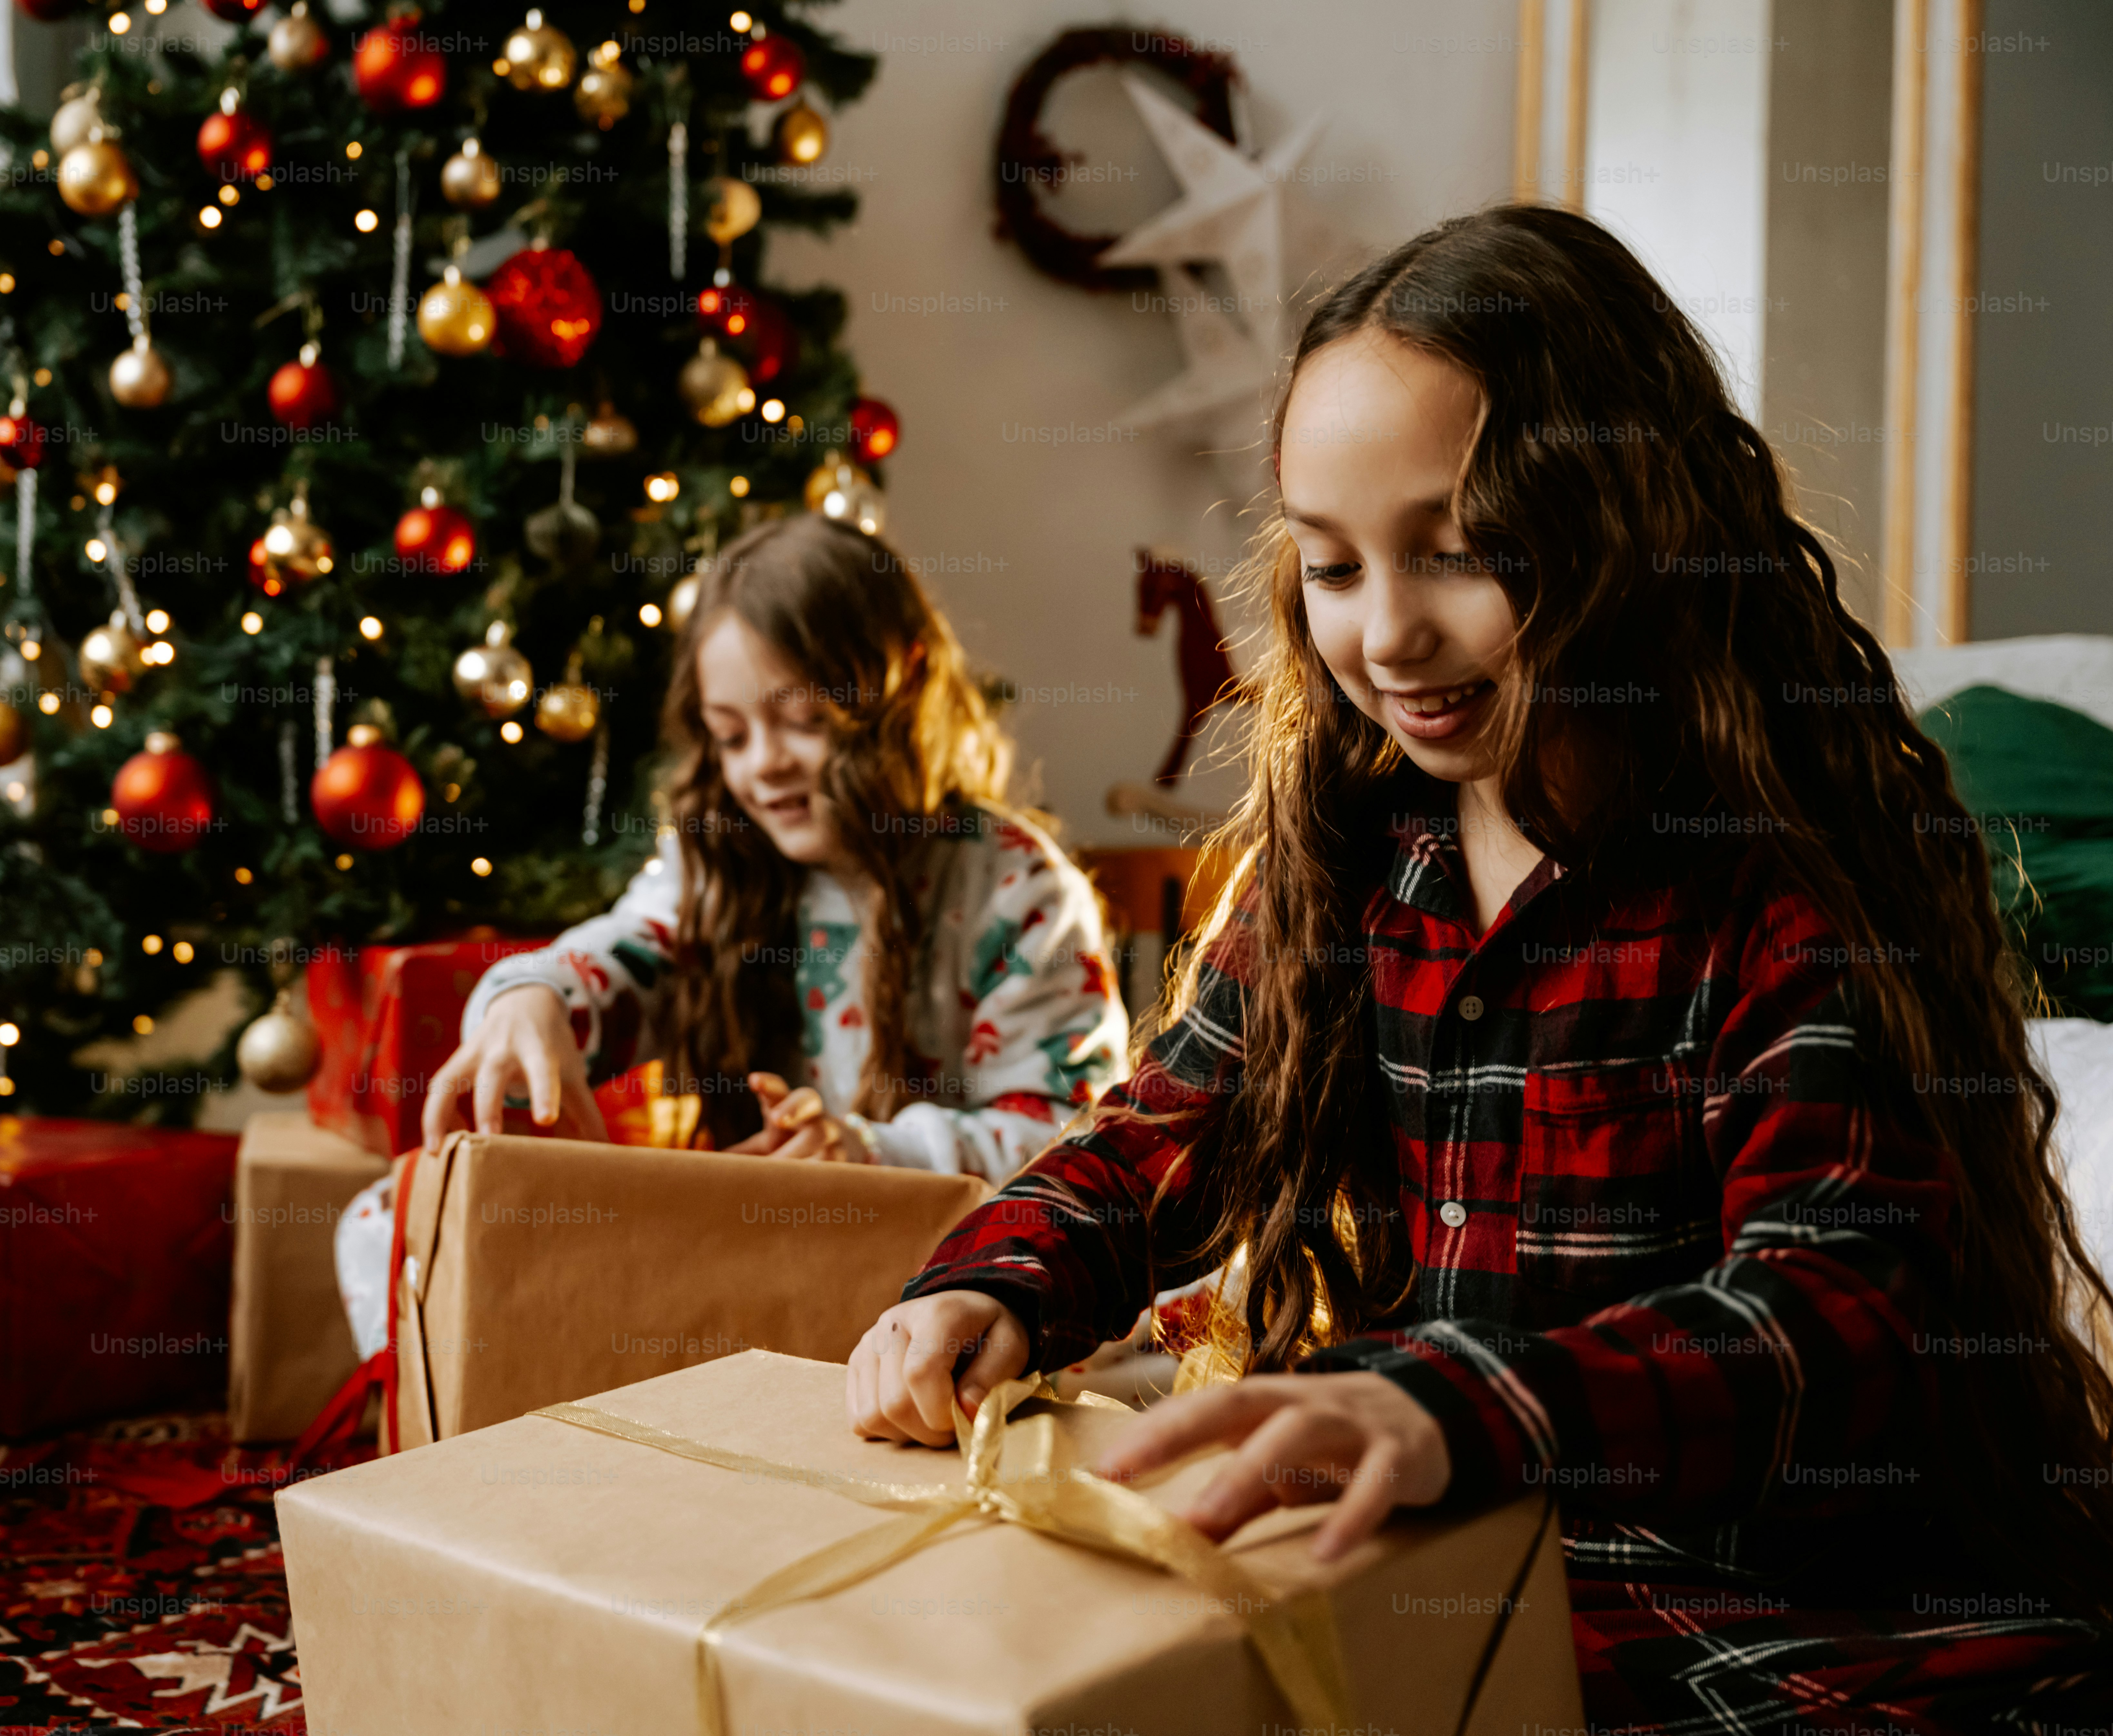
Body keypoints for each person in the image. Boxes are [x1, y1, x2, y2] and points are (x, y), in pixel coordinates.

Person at [849, 203, 2113, 1731]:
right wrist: (1001, 1277)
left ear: (1627, 528)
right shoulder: (1349, 854)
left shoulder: (1777, 891)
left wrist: (1454, 1408)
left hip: (1770, 1619)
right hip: (1449, 1583)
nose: (1387, 636)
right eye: (1330, 567)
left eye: (1458, 554)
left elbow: (1831, 1305)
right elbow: (1170, 1135)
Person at [332, 514, 1130, 1361]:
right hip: (747, 1241)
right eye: (733, 734)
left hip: (932, 1258)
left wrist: (872, 1154)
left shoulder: (1017, 885)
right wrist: (534, 998)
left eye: (801, 721)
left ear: (901, 681)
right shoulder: (717, 863)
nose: (763, 766)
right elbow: (622, 949)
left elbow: (1069, 1142)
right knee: (382, 1224)